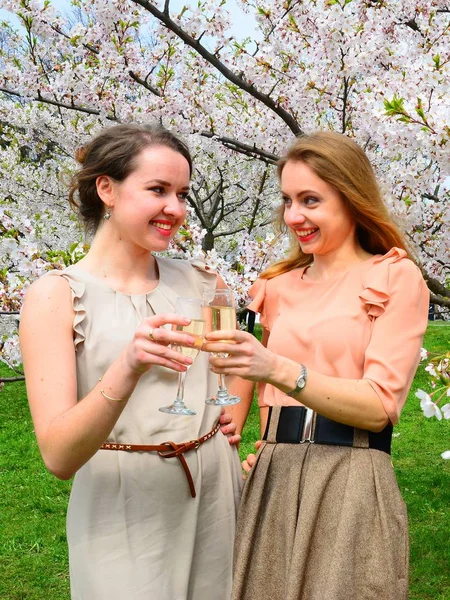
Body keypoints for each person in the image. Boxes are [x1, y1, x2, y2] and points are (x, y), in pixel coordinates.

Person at [19, 123, 244, 600]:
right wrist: (127, 365)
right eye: (158, 190)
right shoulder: (55, 296)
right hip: (122, 505)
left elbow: (234, 363)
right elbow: (59, 456)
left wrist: (232, 417)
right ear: (107, 189)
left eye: (182, 193)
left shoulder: (204, 283)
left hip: (215, 497)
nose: (176, 210)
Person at [204, 131, 430, 600]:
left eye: (310, 200)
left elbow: (378, 407)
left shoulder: (394, 277)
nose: (294, 217)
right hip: (273, 476)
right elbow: (238, 385)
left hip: (349, 475)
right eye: (287, 200)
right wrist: (239, 443)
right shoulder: (278, 286)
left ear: (351, 199)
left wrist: (280, 369)